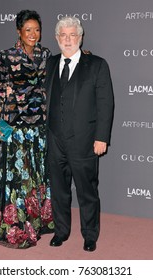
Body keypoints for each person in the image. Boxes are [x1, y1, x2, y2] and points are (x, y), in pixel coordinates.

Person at [0, 10, 54, 249]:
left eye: (37, 29)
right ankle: (18, 226)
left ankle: (39, 221)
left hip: (40, 125)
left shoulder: (46, 55)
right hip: (17, 125)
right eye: (28, 30)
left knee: (37, 175)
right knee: (19, 178)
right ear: (18, 31)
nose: (33, 34)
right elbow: (0, 90)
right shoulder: (7, 56)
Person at [45, 16, 114, 252]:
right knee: (59, 191)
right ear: (56, 38)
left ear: (80, 37)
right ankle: (61, 231)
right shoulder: (50, 63)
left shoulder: (97, 65)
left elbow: (106, 104)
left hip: (85, 141)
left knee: (87, 192)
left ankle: (90, 235)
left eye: (72, 35)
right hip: (54, 140)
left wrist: (101, 137)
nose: (67, 40)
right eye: (63, 35)